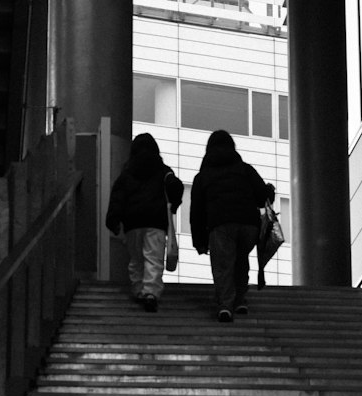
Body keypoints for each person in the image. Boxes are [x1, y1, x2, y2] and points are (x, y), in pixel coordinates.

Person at [190, 129, 271, 322]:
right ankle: (240, 300)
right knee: (241, 260)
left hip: (221, 224)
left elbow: (197, 213)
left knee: (224, 265)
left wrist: (200, 241)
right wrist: (269, 190)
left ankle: (226, 305)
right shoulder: (245, 169)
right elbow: (262, 197)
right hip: (249, 226)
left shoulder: (203, 177)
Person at [105, 133, 184, 312]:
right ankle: (150, 292)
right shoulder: (163, 170)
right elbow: (176, 186)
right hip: (156, 221)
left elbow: (118, 197)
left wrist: (113, 219)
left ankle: (138, 289)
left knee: (136, 258)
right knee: (153, 258)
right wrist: (174, 205)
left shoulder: (126, 173)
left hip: (132, 222)